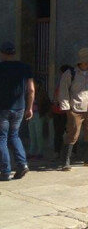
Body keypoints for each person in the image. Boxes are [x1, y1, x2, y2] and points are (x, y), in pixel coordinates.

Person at [57, 47, 88, 170]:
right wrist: (67, 109)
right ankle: (65, 161)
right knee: (72, 134)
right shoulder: (70, 74)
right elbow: (63, 91)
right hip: (76, 109)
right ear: (85, 61)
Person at [0, 41, 34, 181]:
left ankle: (5, 171)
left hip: (2, 108)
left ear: (2, 53)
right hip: (19, 107)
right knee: (14, 136)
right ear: (14, 53)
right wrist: (30, 107)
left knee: (2, 138)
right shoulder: (25, 68)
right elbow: (31, 89)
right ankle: (22, 164)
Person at [51, 65, 72, 159]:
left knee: (69, 132)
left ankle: (67, 153)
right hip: (58, 111)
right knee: (59, 133)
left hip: (65, 111)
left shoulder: (69, 83)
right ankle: (57, 152)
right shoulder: (60, 83)